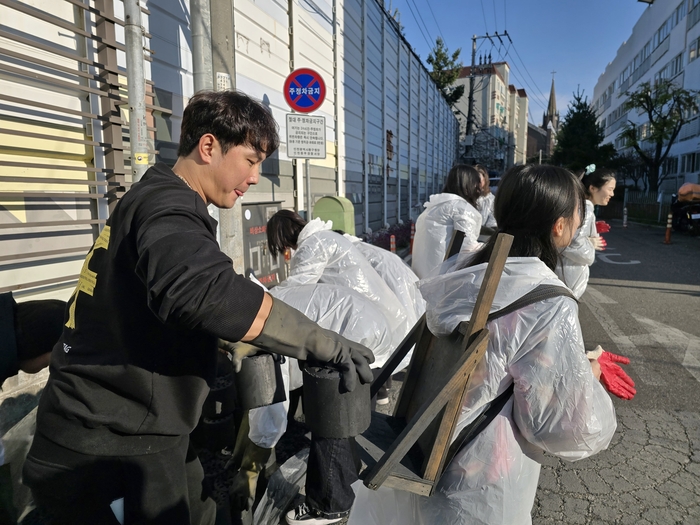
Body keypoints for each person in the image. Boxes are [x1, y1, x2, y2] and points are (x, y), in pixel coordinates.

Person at [22, 90, 374, 525]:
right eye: (249, 160)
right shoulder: (167, 207)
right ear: (208, 146)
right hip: (105, 450)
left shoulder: (153, 198)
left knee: (207, 511)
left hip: (145, 432)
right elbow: (204, 291)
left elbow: (156, 302)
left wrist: (223, 341)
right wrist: (320, 341)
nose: (255, 177)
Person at [348, 164, 617, 525]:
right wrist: (590, 373)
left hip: (421, 453)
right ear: (559, 225)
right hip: (482, 485)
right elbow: (560, 426)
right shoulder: (547, 300)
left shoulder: (465, 268)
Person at [267, 210, 411, 350]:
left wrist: (266, 296)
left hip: (364, 318)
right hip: (377, 311)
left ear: (283, 237)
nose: (286, 249)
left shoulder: (314, 245)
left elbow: (298, 286)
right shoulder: (324, 236)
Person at [411, 164, 483, 279]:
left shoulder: (433, 207)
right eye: (476, 183)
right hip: (442, 283)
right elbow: (468, 248)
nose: (479, 188)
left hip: (420, 278)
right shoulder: (461, 208)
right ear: (469, 184)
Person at [555, 164, 616, 299]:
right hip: (569, 273)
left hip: (563, 270)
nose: (612, 194)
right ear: (593, 188)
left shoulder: (577, 205)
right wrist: (591, 244)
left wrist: (591, 229)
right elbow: (574, 242)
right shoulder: (586, 209)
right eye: (610, 189)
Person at [474, 164, 497, 232]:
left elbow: (492, 226)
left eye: (479, 180)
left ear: (485, 180)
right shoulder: (465, 198)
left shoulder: (491, 200)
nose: (475, 184)